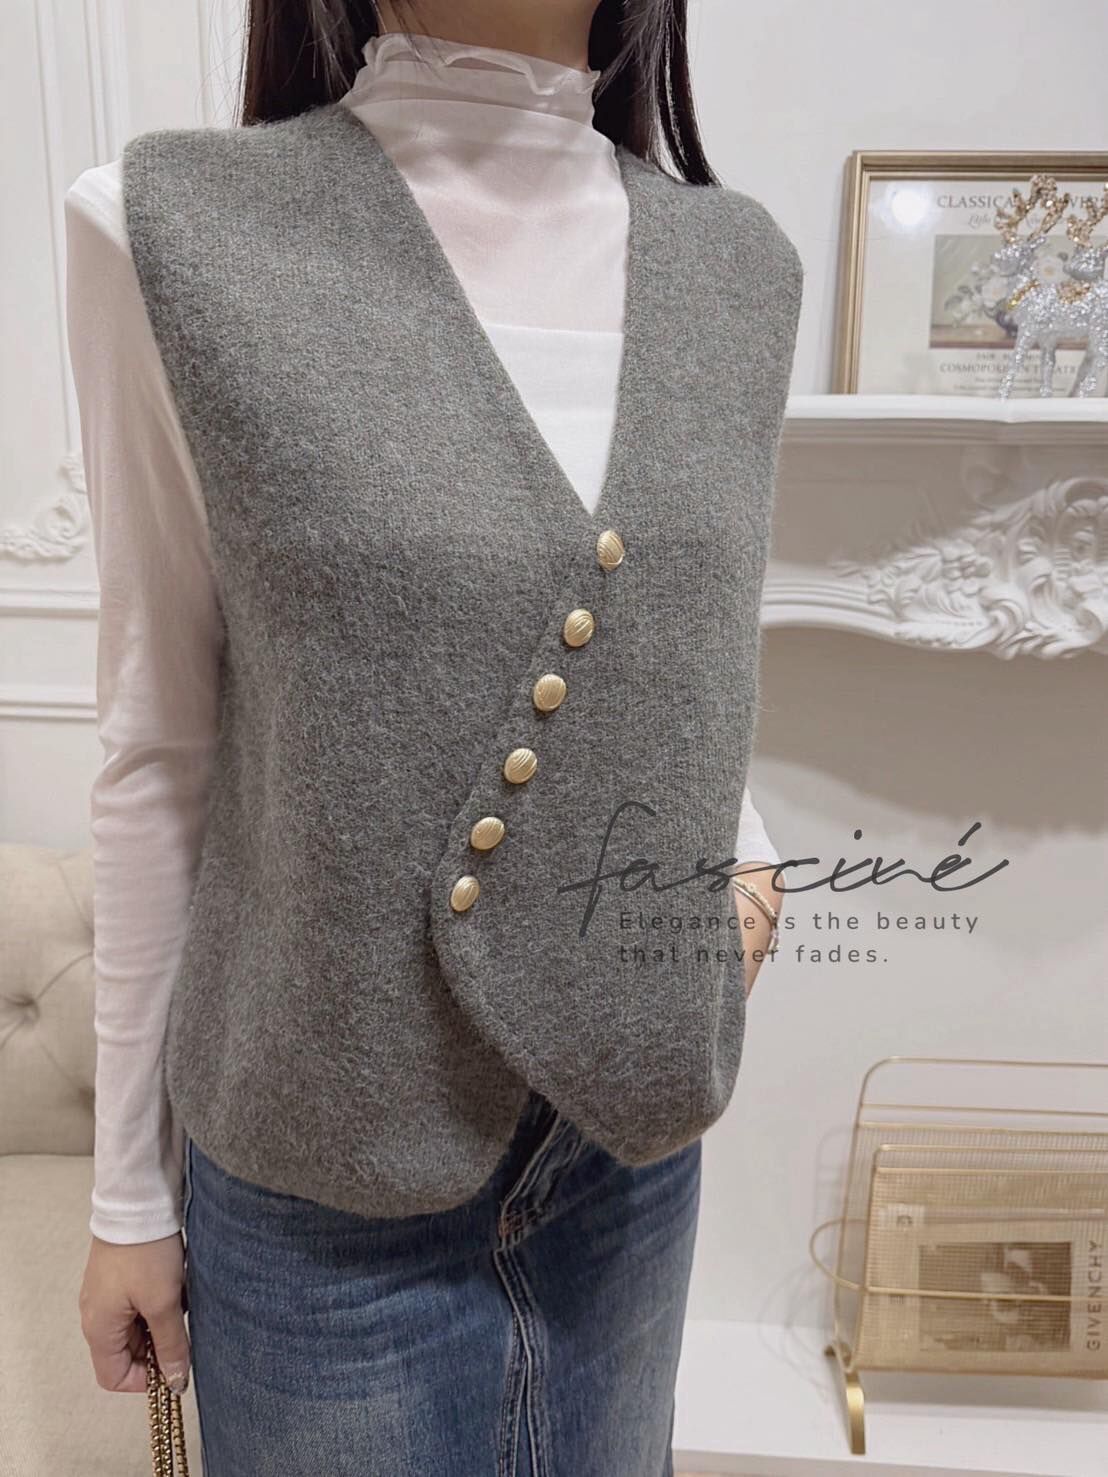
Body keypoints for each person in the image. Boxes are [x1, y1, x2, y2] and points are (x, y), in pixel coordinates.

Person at [65, 2, 799, 1472]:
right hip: (315, 1184)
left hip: (629, 1164)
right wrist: (127, 1195)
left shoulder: (742, 267)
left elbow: (686, 646)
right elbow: (160, 741)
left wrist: (745, 867)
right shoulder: (170, 226)